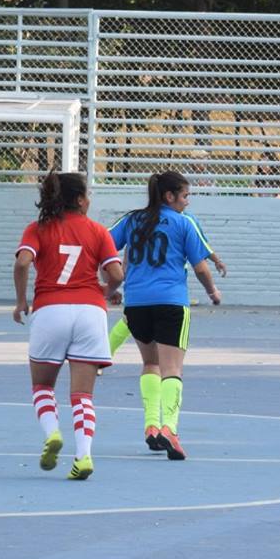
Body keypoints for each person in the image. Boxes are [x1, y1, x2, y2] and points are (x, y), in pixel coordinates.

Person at [107, 170, 225, 460]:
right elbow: (199, 267)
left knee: (150, 364)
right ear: (169, 196)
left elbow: (104, 248)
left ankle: (150, 426)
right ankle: (170, 428)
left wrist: (111, 284)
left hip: (136, 304)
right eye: (185, 196)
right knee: (172, 369)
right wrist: (212, 291)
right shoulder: (182, 223)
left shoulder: (132, 219)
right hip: (171, 303)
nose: (187, 202)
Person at [14, 172, 122, 481]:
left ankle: (52, 434)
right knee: (82, 395)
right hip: (90, 313)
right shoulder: (98, 231)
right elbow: (115, 273)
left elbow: (22, 263)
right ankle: (84, 456)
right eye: (88, 195)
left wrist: (21, 301)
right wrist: (104, 291)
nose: (90, 201)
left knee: (43, 385)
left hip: (50, 310)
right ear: (78, 200)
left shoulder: (38, 229)